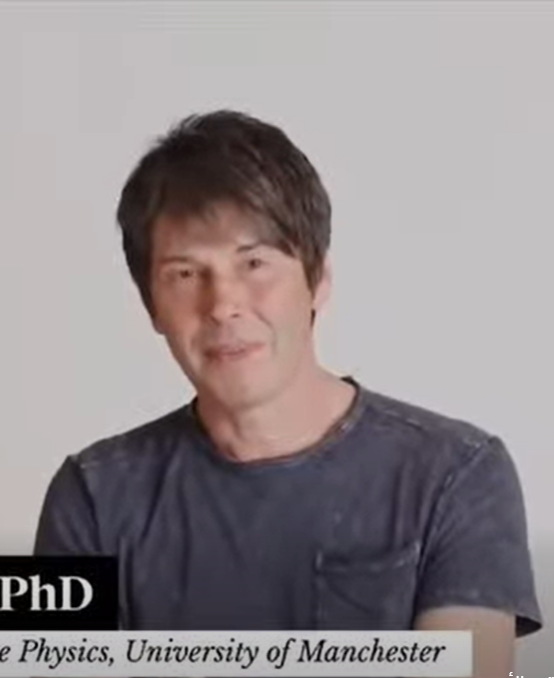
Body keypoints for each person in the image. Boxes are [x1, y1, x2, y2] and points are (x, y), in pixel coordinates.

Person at [33, 110, 542, 675]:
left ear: (317, 279)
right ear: (151, 306)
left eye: (254, 263)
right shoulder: (96, 497)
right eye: (185, 274)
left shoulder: (456, 477)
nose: (223, 305)